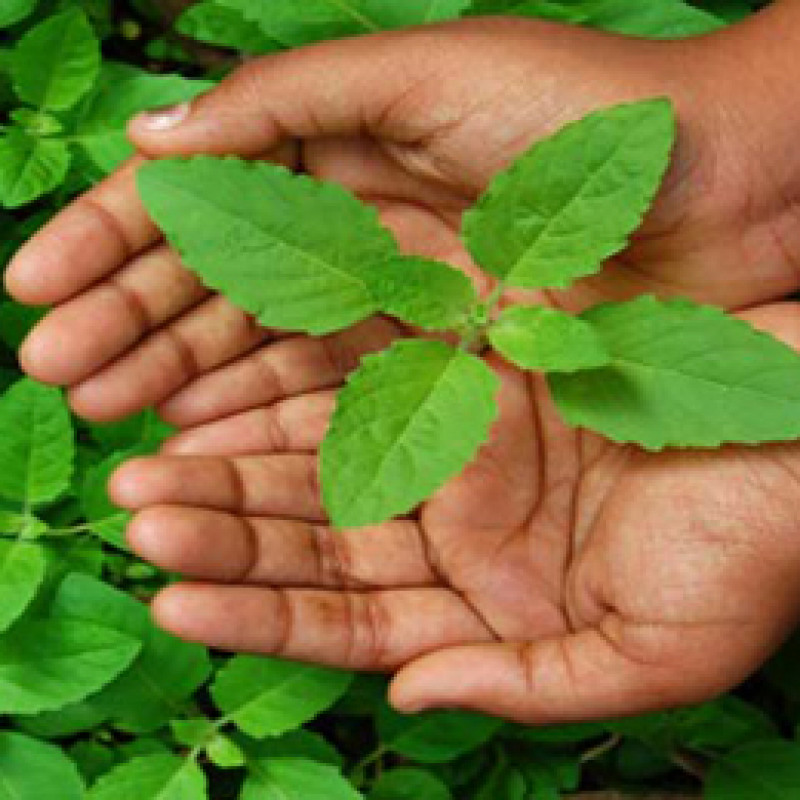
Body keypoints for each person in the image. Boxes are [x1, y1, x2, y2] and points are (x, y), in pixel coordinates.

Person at [6, 2, 800, 724]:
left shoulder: (548, 335)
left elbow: (628, 148)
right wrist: (761, 113)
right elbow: (630, 143)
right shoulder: (430, 298)